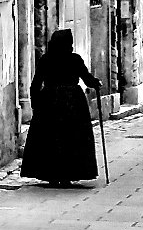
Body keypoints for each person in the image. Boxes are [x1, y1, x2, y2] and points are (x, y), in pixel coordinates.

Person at [21, 29, 101, 186]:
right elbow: (87, 79)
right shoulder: (74, 60)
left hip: (49, 102)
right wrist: (96, 83)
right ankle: (67, 175)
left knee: (51, 138)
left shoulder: (46, 60)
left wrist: (36, 104)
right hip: (72, 103)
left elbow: (35, 84)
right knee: (71, 137)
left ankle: (51, 174)